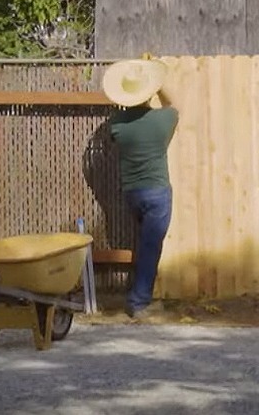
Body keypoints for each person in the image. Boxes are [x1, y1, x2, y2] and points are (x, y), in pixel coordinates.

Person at [103, 55, 178, 319]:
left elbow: (115, 128)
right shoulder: (161, 120)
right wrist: (157, 82)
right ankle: (138, 301)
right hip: (157, 191)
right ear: (148, 93)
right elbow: (174, 105)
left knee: (143, 243)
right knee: (150, 246)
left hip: (131, 192)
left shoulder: (117, 125)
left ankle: (140, 294)